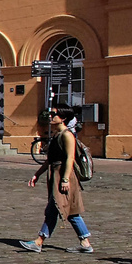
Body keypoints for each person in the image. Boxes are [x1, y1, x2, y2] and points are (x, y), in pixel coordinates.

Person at [21, 107, 92, 254]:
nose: (50, 116)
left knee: (55, 207)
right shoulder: (57, 134)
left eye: (54, 114)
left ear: (63, 118)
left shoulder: (67, 135)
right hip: (56, 174)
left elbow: (70, 158)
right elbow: (49, 160)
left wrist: (65, 179)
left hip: (63, 175)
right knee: (70, 210)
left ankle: (39, 241)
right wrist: (37, 174)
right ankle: (85, 242)